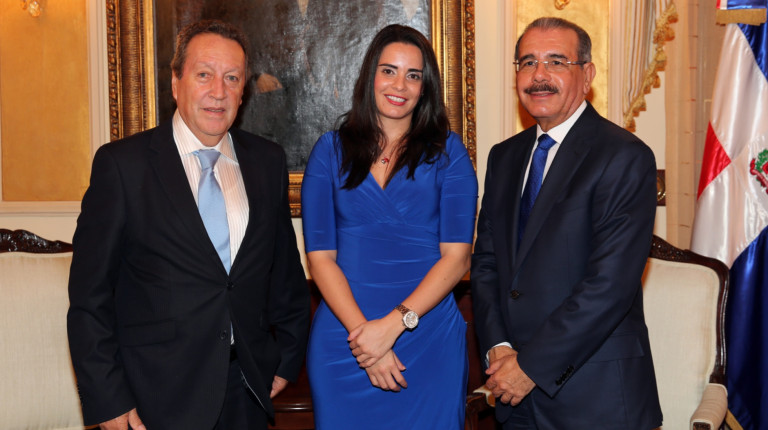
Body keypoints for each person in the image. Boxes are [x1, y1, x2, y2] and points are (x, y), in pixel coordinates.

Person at [67, 20, 310, 430]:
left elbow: (284, 274)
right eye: (204, 75)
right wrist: (107, 399)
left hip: (247, 390)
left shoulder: (267, 162)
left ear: (243, 91)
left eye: (232, 78)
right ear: (176, 82)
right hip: (154, 397)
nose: (219, 91)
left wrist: (286, 359)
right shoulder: (122, 166)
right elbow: (90, 297)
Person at [471, 17, 663, 429]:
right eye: (528, 62)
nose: (539, 75)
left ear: (587, 75)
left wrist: (531, 366)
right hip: (512, 393)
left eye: (556, 62)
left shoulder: (624, 156)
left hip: (594, 398)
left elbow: (609, 285)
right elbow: (486, 263)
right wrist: (498, 345)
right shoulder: (504, 157)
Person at [301, 24, 478, 429]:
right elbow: (320, 258)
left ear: (425, 86)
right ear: (370, 76)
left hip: (427, 340)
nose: (400, 85)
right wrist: (368, 340)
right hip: (346, 343)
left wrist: (394, 325)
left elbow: (457, 258)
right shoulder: (329, 151)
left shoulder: (449, 153)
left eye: (413, 75)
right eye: (389, 71)